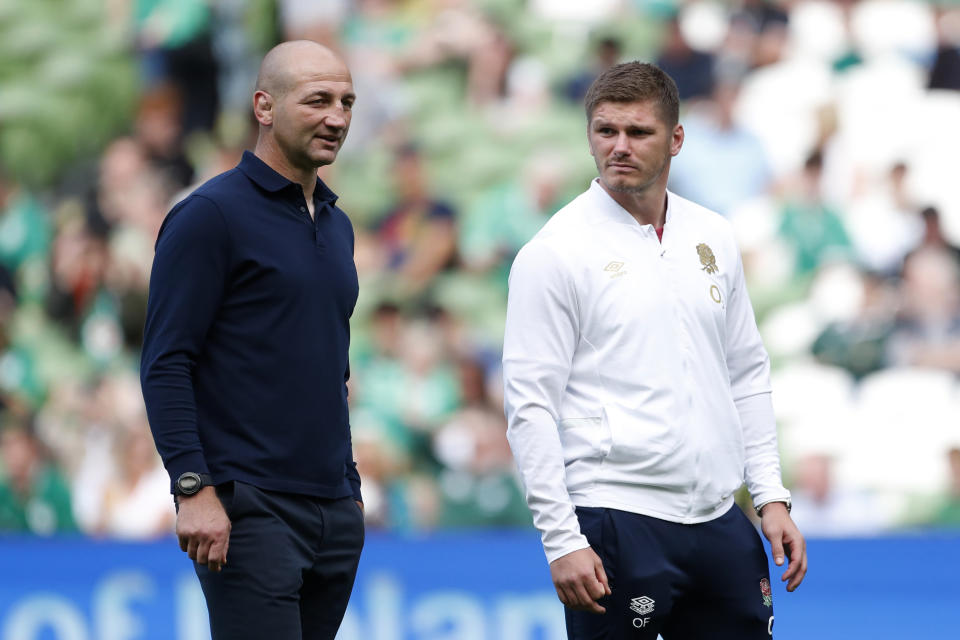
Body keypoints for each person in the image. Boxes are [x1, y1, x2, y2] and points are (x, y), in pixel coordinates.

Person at [502, 61, 806, 640]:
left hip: (719, 515)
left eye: (638, 132)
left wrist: (770, 496)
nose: (619, 146)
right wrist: (562, 538)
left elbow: (746, 371)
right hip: (615, 517)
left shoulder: (712, 234)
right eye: (605, 131)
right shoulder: (553, 253)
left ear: (676, 139)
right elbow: (529, 407)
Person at [140, 41, 364, 640]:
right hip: (249, 507)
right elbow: (166, 363)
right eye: (318, 100)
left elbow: (329, 365)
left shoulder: (337, 225)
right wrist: (193, 489)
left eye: (346, 102)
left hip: (333, 509)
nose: (337, 117)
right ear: (264, 106)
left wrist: (350, 493)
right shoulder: (209, 216)